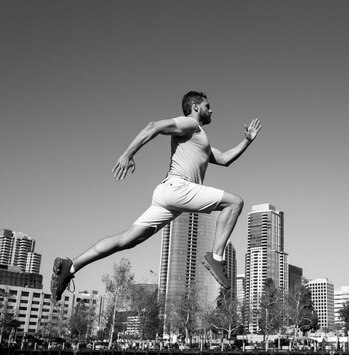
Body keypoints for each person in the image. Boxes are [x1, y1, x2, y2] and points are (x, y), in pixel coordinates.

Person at [50, 91, 261, 302]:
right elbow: (154, 126)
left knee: (127, 239)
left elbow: (224, 159)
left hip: (169, 194)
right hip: (178, 187)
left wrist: (247, 141)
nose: (211, 110)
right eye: (207, 105)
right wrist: (127, 154)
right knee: (235, 202)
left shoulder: (200, 141)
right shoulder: (190, 124)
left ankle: (72, 265)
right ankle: (216, 258)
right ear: (195, 107)